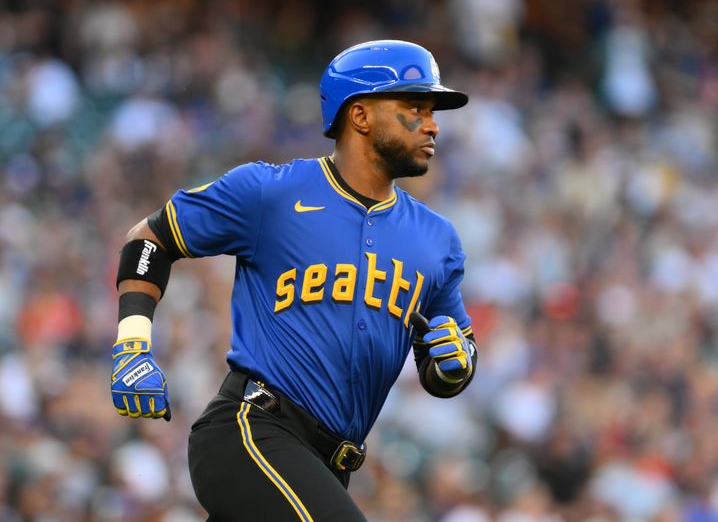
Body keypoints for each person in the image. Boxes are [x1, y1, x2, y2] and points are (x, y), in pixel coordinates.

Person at [110, 39, 478, 521]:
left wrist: (456, 363)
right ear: (360, 116)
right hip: (251, 431)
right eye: (415, 106)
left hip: (328, 466)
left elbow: (450, 359)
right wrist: (132, 345)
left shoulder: (437, 240)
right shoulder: (271, 192)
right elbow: (150, 240)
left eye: (432, 110)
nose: (431, 123)